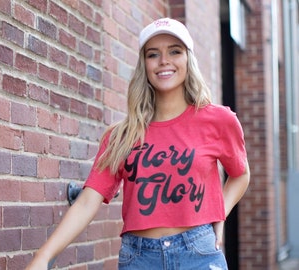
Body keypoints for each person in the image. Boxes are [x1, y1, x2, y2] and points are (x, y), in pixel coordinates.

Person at [26, 17, 250, 270]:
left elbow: (240, 175)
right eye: (153, 54)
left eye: (174, 51)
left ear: (188, 58)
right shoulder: (121, 136)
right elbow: (88, 201)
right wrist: (42, 257)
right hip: (139, 258)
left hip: (198, 253)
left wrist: (219, 213)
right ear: (144, 64)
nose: (164, 61)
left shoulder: (218, 120)